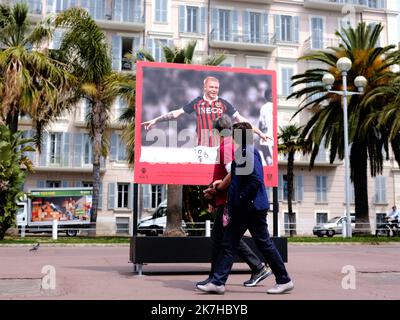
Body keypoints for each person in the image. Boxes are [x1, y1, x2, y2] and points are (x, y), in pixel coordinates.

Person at [196, 122, 294, 295]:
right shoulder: (244, 152)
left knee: (262, 244)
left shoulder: (246, 152)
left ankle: (284, 280)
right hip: (246, 207)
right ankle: (218, 282)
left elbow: (255, 180)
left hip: (250, 208)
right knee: (229, 243)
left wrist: (239, 199)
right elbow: (239, 179)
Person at [142, 76, 270, 147]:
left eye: (216, 88)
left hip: (220, 147)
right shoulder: (196, 102)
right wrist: (156, 120)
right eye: (211, 87)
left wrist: (260, 133)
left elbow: (242, 120)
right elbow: (176, 113)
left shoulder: (224, 103)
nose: (214, 90)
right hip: (201, 146)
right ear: (205, 87)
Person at [258, 84, 273, 166]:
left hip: (268, 137)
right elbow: (260, 123)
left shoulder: (264, 107)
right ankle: (268, 159)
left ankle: (268, 159)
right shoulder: (265, 107)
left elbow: (260, 124)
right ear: (269, 96)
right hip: (269, 136)